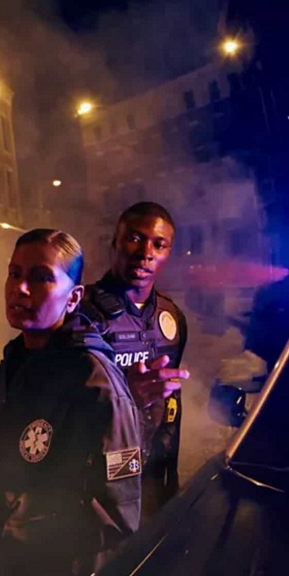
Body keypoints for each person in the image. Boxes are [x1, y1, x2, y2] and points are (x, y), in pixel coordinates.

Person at [0, 229, 144, 576]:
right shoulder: (15, 362)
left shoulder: (96, 383)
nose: (20, 288)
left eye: (41, 277)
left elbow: (116, 517)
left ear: (73, 297)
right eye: (14, 274)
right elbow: (7, 469)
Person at [79, 202, 190, 518]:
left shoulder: (171, 316)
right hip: (95, 487)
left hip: (154, 477)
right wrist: (124, 396)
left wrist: (169, 477)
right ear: (115, 242)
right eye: (135, 238)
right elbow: (56, 405)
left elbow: (172, 408)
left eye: (159, 244)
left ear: (168, 252)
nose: (146, 253)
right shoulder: (80, 312)